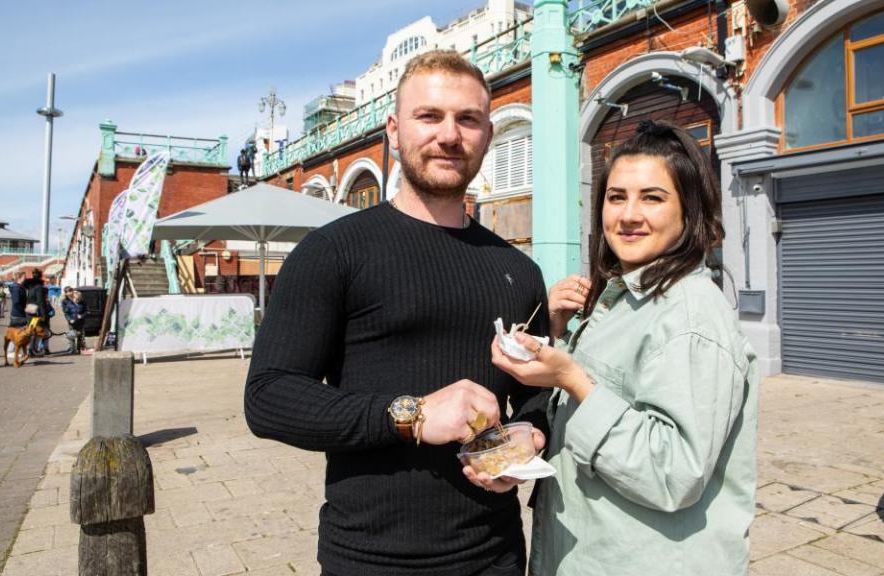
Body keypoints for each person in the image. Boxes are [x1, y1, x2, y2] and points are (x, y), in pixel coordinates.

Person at [245, 50, 550, 576]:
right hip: (369, 559)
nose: (450, 135)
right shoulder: (333, 251)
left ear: (488, 134)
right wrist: (411, 416)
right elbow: (269, 396)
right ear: (393, 130)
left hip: (496, 554)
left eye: (468, 119)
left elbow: (535, 397)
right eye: (429, 116)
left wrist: (530, 435)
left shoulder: (519, 271)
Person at [492, 120, 759, 576]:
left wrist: (570, 378)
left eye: (652, 198)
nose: (629, 215)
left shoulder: (690, 315)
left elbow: (674, 471)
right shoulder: (627, 297)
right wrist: (554, 337)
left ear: (689, 210)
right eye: (617, 197)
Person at [23, 268, 51, 356]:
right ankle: (33, 350)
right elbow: (40, 302)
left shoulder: (30, 287)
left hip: (29, 312)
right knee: (37, 332)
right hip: (36, 313)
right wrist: (43, 315)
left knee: (31, 331)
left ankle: (30, 350)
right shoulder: (39, 287)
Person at [61, 287, 86, 354]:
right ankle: (72, 348)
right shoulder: (66, 301)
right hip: (72, 321)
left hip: (80, 321)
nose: (69, 293)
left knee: (80, 334)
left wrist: (81, 316)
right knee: (72, 334)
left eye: (70, 291)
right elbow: (65, 311)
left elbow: (85, 311)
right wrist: (69, 319)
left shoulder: (81, 301)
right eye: (67, 292)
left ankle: (79, 348)